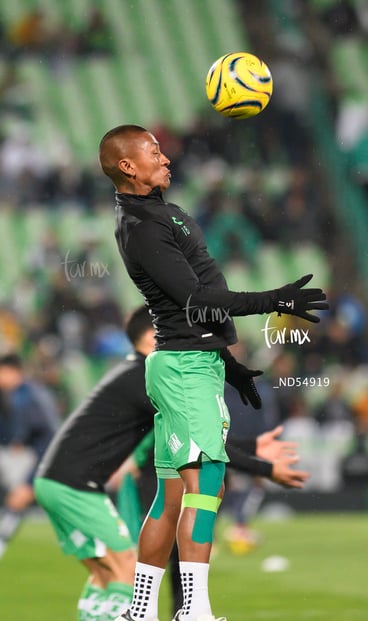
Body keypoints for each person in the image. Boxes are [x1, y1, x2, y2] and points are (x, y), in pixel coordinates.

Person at [98, 124, 328, 621]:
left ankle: (140, 611)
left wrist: (228, 362)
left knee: (173, 491)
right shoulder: (140, 227)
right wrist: (275, 300)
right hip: (183, 368)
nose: (165, 156)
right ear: (127, 166)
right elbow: (195, 299)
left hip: (191, 363)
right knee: (208, 486)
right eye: (152, 150)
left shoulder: (164, 214)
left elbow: (200, 298)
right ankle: (194, 611)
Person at [34, 306, 309, 621]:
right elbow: (202, 445)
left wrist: (254, 446)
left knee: (105, 572)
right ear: (154, 336)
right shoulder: (150, 378)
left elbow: (194, 439)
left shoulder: (132, 374)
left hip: (57, 480)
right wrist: (266, 468)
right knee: (125, 565)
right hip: (74, 486)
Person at [0, 353, 60, 558]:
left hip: (40, 457)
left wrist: (32, 477)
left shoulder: (30, 397)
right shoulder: (18, 394)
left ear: (10, 371)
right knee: (15, 500)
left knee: (19, 497)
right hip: (28, 456)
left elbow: (50, 435)